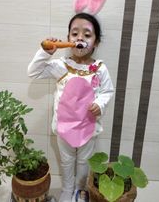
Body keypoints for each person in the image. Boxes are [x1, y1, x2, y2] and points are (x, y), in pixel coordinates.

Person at [28, 12, 114, 202]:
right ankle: (67, 189)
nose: (80, 38)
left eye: (87, 34)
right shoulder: (61, 65)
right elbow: (33, 72)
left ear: (96, 42)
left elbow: (107, 91)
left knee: (84, 161)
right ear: (68, 39)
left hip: (88, 128)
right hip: (64, 128)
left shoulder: (100, 69)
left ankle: (80, 189)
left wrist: (100, 104)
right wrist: (45, 52)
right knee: (67, 160)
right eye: (75, 34)